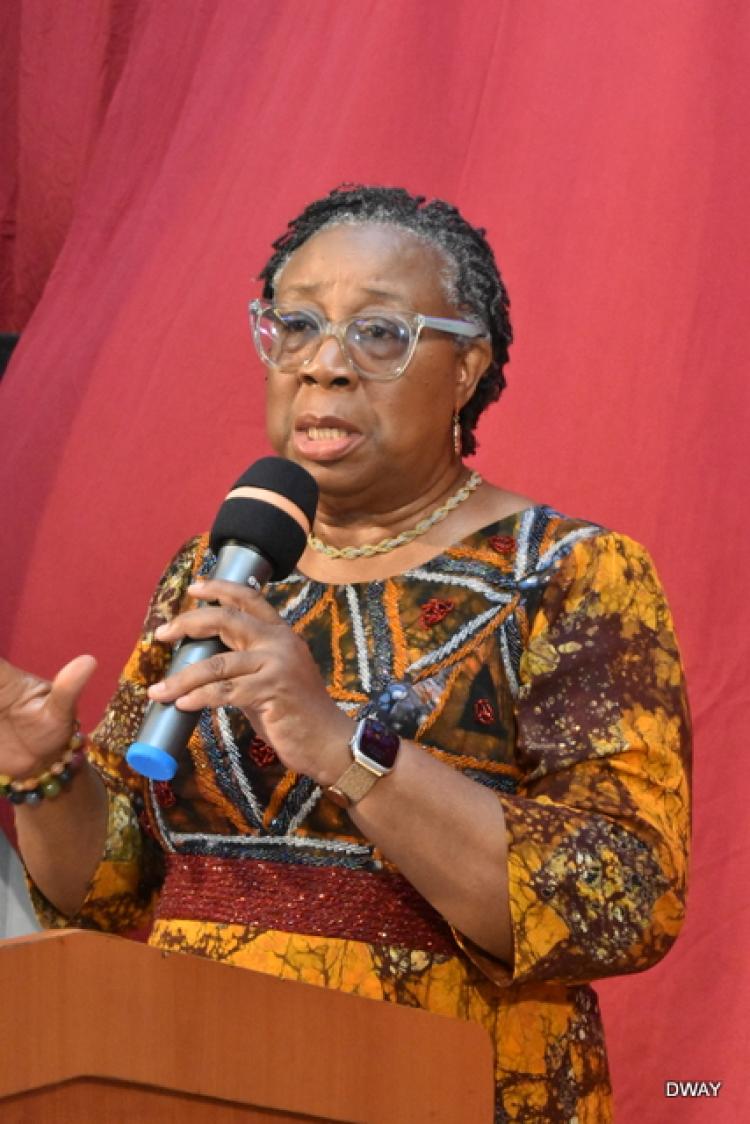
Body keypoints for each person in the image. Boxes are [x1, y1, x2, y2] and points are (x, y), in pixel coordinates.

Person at [0, 185, 691, 1121]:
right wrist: (45, 778)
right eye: (295, 326)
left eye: (378, 334)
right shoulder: (220, 568)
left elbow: (623, 898)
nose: (323, 366)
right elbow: (114, 888)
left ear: (466, 367)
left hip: (452, 1088)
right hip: (190, 1075)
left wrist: (342, 747)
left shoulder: (565, 574)